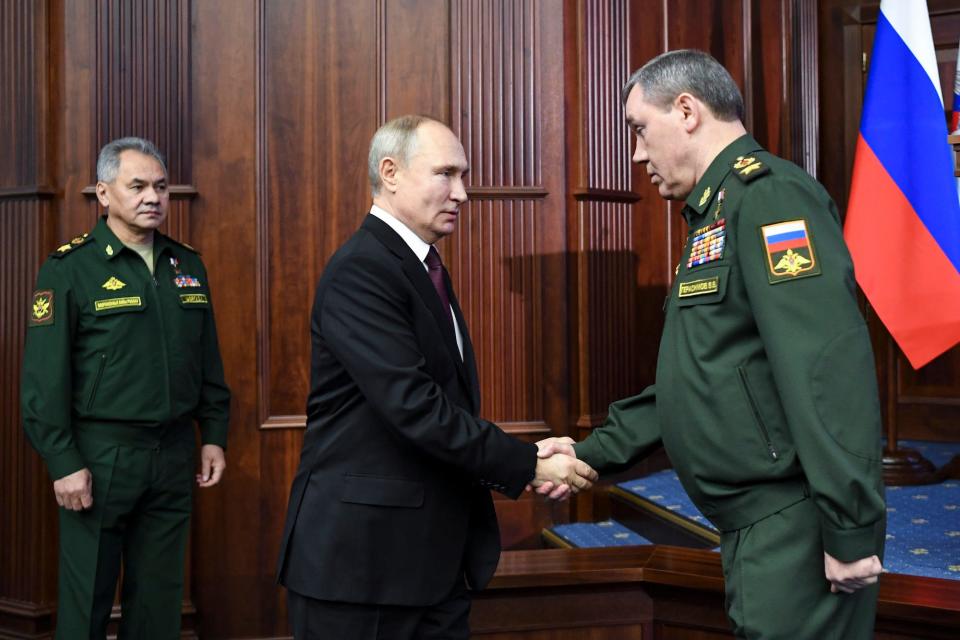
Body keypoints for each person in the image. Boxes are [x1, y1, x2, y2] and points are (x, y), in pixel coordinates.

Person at [537, 50, 886, 639]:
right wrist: (592, 451)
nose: (637, 153)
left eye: (640, 129)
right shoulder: (718, 211)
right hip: (758, 525)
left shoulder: (771, 198)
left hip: (794, 525)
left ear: (687, 110)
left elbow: (825, 369)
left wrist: (851, 526)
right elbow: (702, 374)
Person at [275, 115, 596, 640]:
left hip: (428, 564)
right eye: (445, 174)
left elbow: (443, 406)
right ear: (390, 172)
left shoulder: (419, 265)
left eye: (463, 175)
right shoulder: (363, 268)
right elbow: (416, 408)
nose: (462, 193)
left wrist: (530, 457)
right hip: (364, 570)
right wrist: (528, 463)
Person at [20, 137, 231, 639]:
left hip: (174, 452)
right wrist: (64, 462)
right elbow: (43, 379)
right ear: (103, 193)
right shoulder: (69, 267)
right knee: (85, 601)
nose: (152, 197)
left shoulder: (188, 265)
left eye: (160, 186)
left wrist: (215, 434)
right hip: (100, 455)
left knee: (159, 604)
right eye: (137, 186)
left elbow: (208, 362)